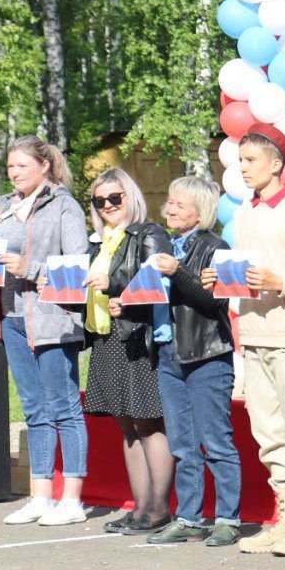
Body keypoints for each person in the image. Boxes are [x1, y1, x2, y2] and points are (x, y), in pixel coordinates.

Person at [200, 123, 285, 557]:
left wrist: (281, 283)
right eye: (240, 161)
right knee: (268, 434)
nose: (243, 168)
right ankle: (283, 518)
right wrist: (220, 279)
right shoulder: (245, 213)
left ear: (276, 164)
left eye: (251, 160)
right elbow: (247, 274)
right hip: (253, 335)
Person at [0, 136, 90, 525]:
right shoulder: (5, 207)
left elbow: (77, 268)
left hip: (52, 319)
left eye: (22, 166)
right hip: (13, 318)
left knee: (64, 406)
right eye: (10, 167)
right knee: (34, 408)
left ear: (44, 166)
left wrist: (28, 268)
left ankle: (73, 500)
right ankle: (41, 496)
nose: (14, 173)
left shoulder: (64, 205)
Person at [145, 176, 245, 547]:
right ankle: (188, 518)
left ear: (200, 213)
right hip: (168, 353)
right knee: (183, 445)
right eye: (170, 201)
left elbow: (214, 300)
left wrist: (178, 272)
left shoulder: (216, 246)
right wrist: (129, 304)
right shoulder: (164, 245)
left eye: (180, 204)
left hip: (207, 355)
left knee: (216, 442)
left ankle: (228, 519)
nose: (170, 209)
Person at [80, 168, 175, 535]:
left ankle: (158, 510)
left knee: (148, 423)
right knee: (127, 426)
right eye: (99, 200)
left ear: (130, 197)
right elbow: (86, 291)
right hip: (106, 338)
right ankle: (139, 508)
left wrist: (113, 282)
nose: (107, 205)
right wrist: (55, 287)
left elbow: (155, 280)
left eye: (114, 198)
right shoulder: (98, 241)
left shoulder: (149, 234)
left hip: (137, 338)